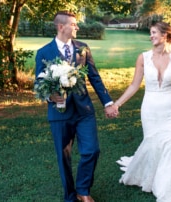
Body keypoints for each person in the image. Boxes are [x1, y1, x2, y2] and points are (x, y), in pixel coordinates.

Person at [112, 21, 171, 201]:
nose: (150, 36)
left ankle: (169, 186)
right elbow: (134, 85)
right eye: (150, 33)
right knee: (153, 144)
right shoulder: (143, 58)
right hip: (150, 109)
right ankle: (152, 176)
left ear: (165, 36)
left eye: (154, 32)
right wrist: (117, 104)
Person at [35, 11, 117, 202]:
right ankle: (71, 196)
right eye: (73, 24)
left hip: (84, 110)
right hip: (59, 113)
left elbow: (94, 76)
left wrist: (108, 102)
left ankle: (83, 189)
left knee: (92, 150)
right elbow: (38, 84)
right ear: (61, 26)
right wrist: (50, 96)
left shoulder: (83, 48)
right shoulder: (44, 53)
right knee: (64, 158)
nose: (77, 27)